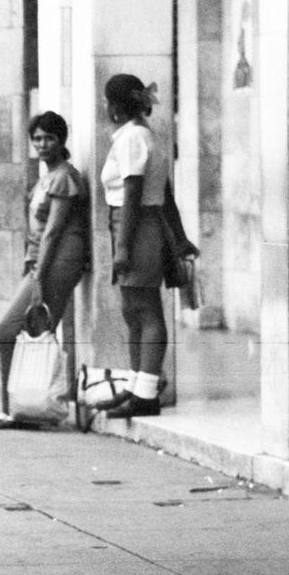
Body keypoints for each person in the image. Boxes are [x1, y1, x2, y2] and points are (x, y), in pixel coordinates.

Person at [93, 73, 196, 419]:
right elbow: (166, 195)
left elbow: (134, 193)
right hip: (138, 224)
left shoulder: (132, 138)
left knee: (145, 310)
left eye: (107, 101)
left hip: (135, 225)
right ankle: (136, 386)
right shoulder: (142, 135)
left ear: (115, 105)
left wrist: (123, 247)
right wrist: (179, 237)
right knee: (132, 310)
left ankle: (146, 394)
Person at [0, 111, 89, 429]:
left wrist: (39, 277)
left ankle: (15, 410)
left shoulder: (64, 176)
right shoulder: (48, 176)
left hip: (58, 262)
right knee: (34, 332)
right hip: (42, 261)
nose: (42, 144)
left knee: (10, 330)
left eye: (49, 138)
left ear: (62, 140)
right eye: (37, 138)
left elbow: (53, 231)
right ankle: (23, 409)